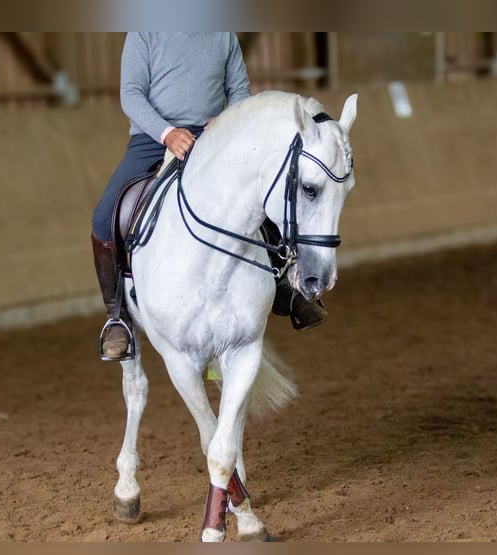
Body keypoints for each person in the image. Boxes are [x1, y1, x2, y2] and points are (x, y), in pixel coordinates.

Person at [91, 32, 326, 361]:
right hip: (154, 140)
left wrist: (227, 120)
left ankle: (286, 289)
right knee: (104, 220)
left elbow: (239, 89)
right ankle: (117, 317)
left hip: (214, 137)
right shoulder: (144, 30)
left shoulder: (222, 31)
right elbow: (131, 94)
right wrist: (167, 133)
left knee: (262, 196)